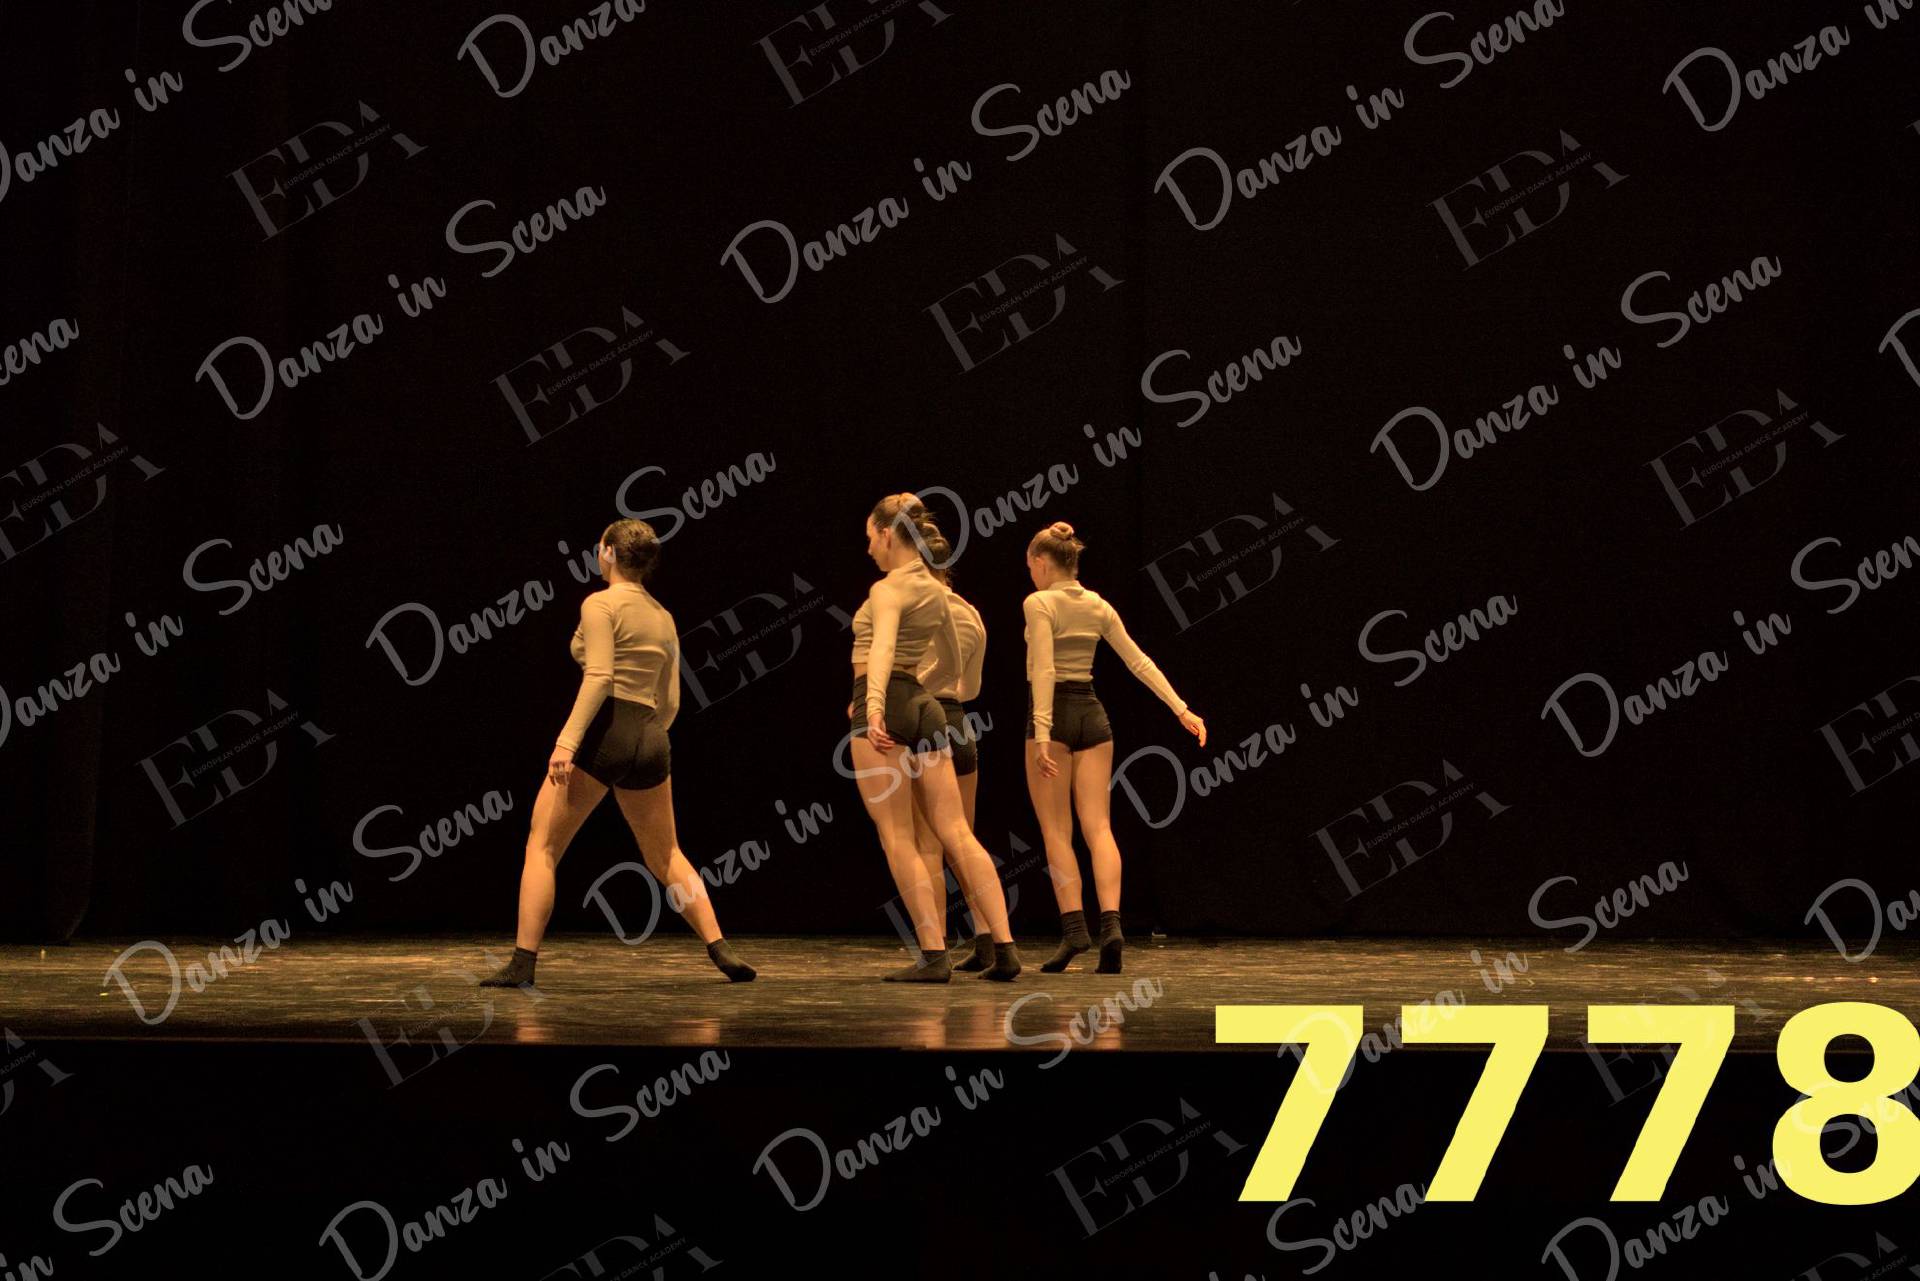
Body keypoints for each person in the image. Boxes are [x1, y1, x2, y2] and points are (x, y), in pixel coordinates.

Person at [480, 519, 755, 989]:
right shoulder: (663, 615)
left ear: (608, 552)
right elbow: (671, 700)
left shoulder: (599, 603)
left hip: (606, 727)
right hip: (651, 734)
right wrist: (643, 735)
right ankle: (720, 948)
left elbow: (600, 677)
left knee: (542, 846)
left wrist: (568, 741)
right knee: (666, 853)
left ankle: (523, 962)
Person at [848, 493, 1020, 982]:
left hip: (887, 701)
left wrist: (875, 706)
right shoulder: (939, 593)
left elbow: (882, 649)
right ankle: (1004, 947)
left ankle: (933, 954)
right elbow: (954, 663)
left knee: (898, 836)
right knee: (957, 832)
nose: (869, 549)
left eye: (871, 538)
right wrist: (923, 692)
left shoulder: (888, 588)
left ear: (887, 534)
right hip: (928, 708)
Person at [1023, 521, 1205, 973]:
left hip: (1054, 714)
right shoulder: (1097, 605)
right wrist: (1181, 708)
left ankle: (1074, 930)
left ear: (1042, 564)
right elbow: (1138, 661)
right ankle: (1111, 927)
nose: (1031, 574)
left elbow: (1044, 669)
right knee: (1099, 827)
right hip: (1092, 714)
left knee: (1056, 831)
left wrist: (1042, 734)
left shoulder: (1038, 603)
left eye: (1030, 566)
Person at [906, 531, 999, 970]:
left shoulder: (913, 608)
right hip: (960, 722)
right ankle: (988, 940)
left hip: (924, 721)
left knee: (928, 845)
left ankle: (935, 950)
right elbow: (972, 687)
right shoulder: (970, 613)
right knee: (964, 841)